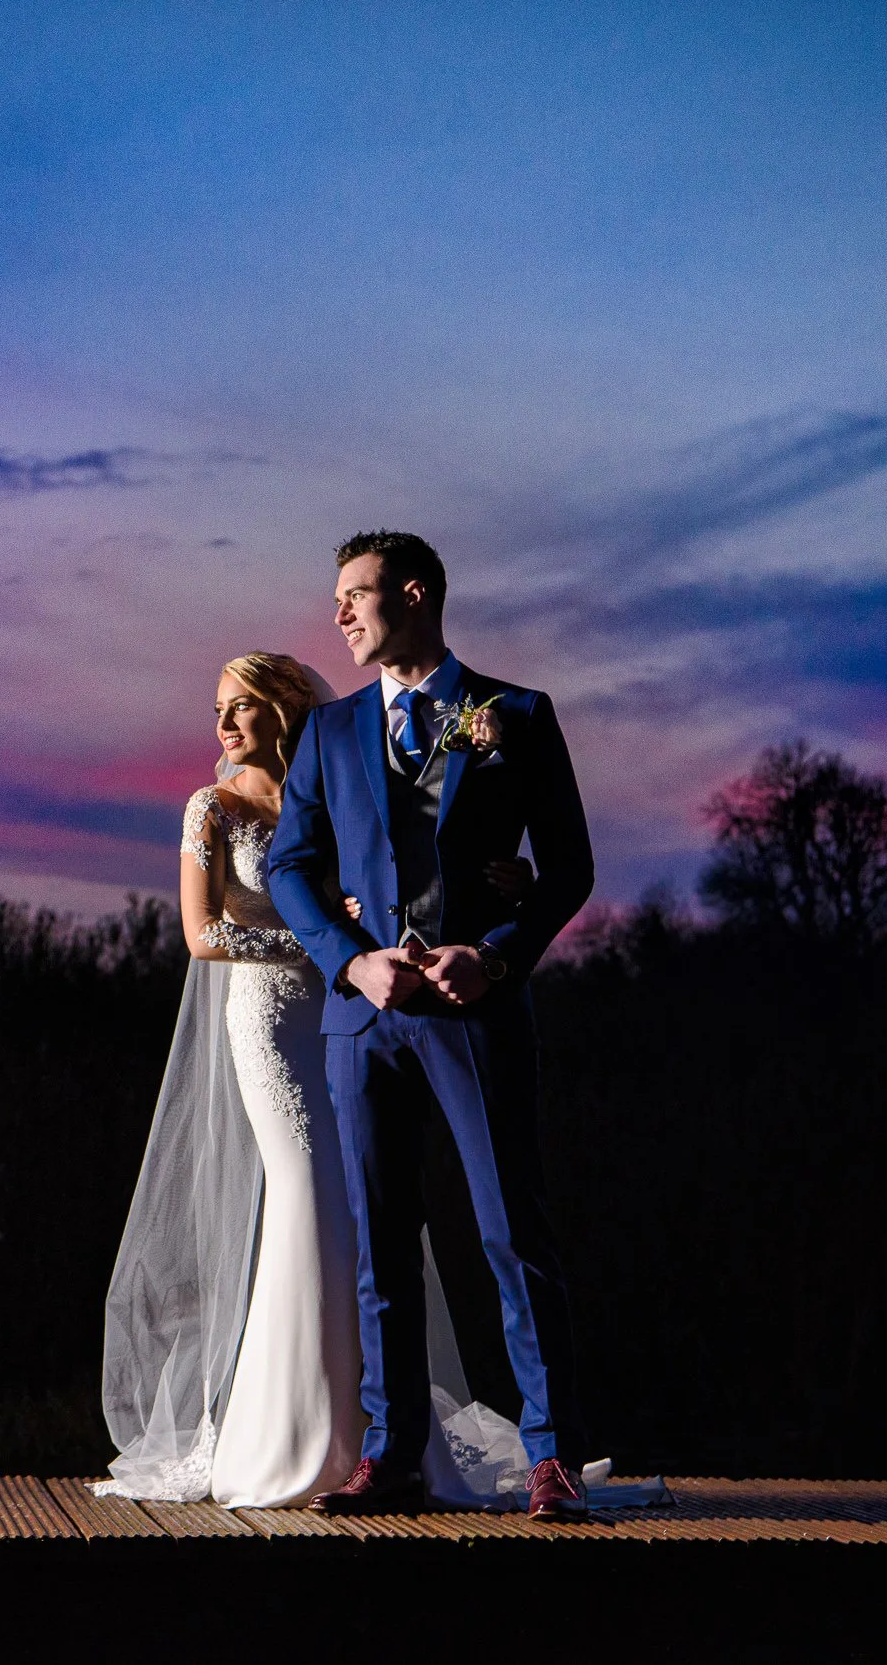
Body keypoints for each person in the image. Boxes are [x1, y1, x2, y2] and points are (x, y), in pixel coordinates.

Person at [97, 654, 537, 1507]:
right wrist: (324, 945)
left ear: (285, 710)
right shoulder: (211, 807)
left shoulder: (331, 797)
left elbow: (406, 866)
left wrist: (508, 874)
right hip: (267, 1019)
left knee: (364, 1204)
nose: (224, 724)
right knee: (304, 1195)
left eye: (243, 706)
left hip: (347, 1017)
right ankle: (288, 1438)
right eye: (218, 707)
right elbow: (201, 933)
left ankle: (380, 1437)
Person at [265, 530, 597, 1522]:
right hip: (363, 1025)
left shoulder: (516, 716)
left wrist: (494, 951)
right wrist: (349, 959)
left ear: (412, 595)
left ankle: (550, 1459)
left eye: (354, 596)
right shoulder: (326, 734)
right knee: (379, 1243)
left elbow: (569, 868)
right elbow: (289, 863)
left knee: (511, 1234)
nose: (338, 616)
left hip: (474, 1014)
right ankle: (391, 1452)